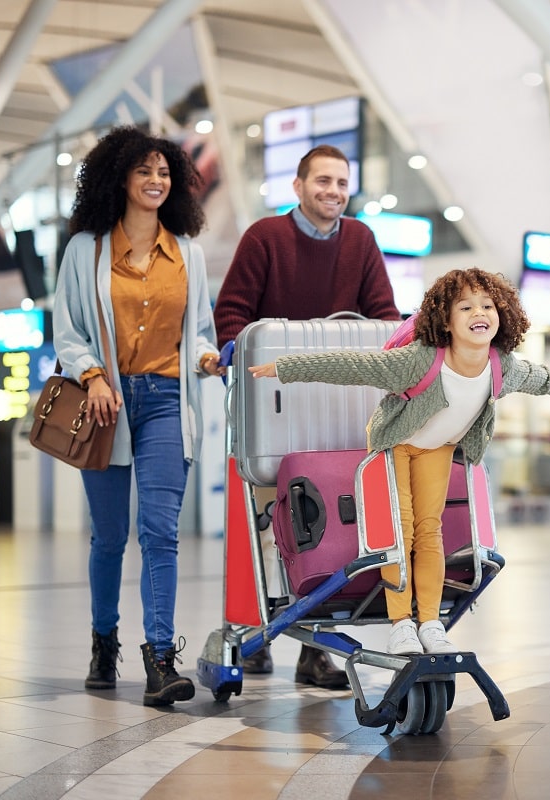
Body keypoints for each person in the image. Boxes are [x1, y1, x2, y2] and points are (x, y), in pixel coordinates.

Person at [250, 268, 550, 654]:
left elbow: (536, 376)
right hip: (396, 444)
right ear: (445, 321)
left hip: (438, 447)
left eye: (487, 305)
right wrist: (285, 368)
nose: (479, 312)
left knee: (430, 531)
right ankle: (401, 624)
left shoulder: (502, 366)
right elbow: (352, 366)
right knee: (400, 530)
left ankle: (429, 622)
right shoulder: (419, 360)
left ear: (502, 314)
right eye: (465, 307)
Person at [214, 143, 399, 686]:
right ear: (298, 187)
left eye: (342, 183)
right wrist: (231, 350)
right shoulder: (264, 239)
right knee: (264, 526)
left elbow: (384, 317)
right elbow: (231, 315)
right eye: (322, 181)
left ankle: (311, 646)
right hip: (270, 405)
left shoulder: (361, 240)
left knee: (321, 525)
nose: (334, 192)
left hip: (335, 405)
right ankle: (250, 628)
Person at [53, 126, 221, 707]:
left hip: (168, 402)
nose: (155, 181)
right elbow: (68, 330)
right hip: (105, 403)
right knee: (109, 537)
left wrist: (205, 355)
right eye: (144, 170)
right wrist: (92, 375)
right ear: (119, 178)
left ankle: (159, 659)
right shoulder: (85, 250)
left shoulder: (189, 254)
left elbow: (200, 328)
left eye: (164, 172)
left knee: (160, 534)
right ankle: (104, 642)